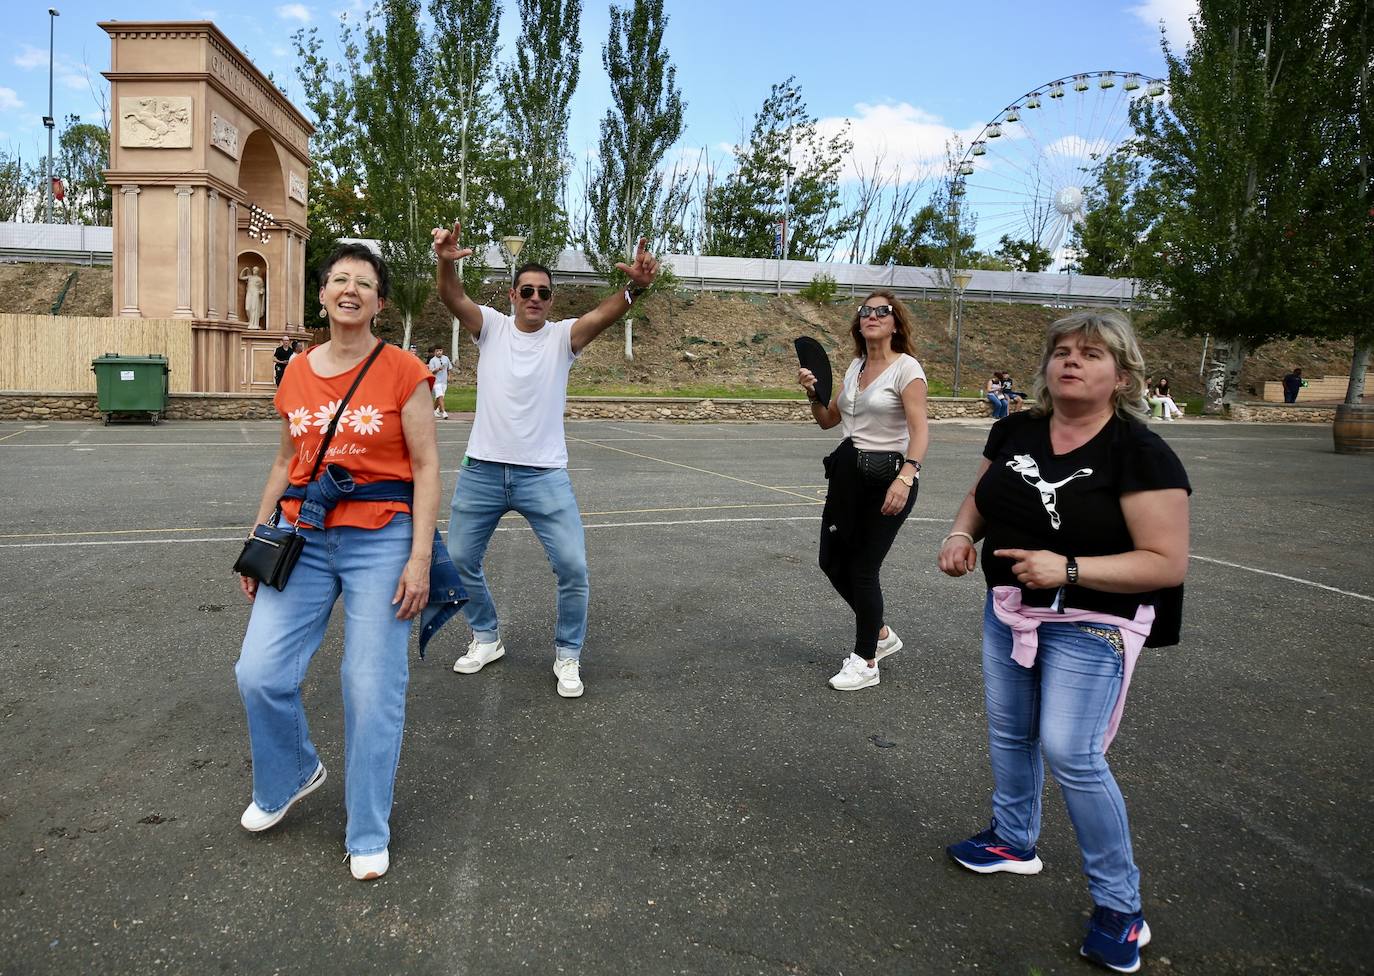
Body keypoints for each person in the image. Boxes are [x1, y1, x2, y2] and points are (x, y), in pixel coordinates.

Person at [936, 309, 1190, 974]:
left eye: (1092, 354)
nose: (1073, 361)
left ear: (1122, 376)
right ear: (1046, 365)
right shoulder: (1017, 427)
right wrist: (962, 534)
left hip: (1092, 621)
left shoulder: (1140, 452)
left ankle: (1120, 909)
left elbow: (1165, 562)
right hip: (1011, 607)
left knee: (1071, 753)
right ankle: (1014, 840)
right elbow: (980, 496)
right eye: (1064, 351)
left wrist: (1070, 569)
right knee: (1009, 730)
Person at [234, 242, 449, 882]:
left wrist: (420, 558)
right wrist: (259, 535)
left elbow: (428, 466)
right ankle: (294, 772)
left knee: (369, 684)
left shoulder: (404, 370)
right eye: (338, 280)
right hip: (302, 531)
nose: (350, 289)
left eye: (364, 282)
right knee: (258, 672)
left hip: (382, 536)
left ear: (380, 302)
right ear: (321, 295)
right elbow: (284, 461)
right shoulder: (296, 371)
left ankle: (367, 829)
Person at [431, 221, 659, 698]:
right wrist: (446, 263)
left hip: (543, 474)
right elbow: (454, 299)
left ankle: (568, 654)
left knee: (573, 567)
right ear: (513, 295)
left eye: (544, 293)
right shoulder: (490, 327)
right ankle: (486, 637)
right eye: (527, 290)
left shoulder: (562, 338)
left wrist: (633, 291)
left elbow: (603, 315)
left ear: (552, 300)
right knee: (459, 560)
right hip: (484, 470)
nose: (535, 297)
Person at [798, 290, 929, 691]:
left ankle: (866, 660)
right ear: (859, 323)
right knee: (830, 561)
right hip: (848, 476)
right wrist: (812, 391)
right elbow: (827, 420)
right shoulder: (855, 367)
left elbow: (921, 430)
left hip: (888, 476)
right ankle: (882, 634)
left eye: (881, 311)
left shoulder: (907, 370)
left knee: (863, 568)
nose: (872, 316)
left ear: (895, 323)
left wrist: (906, 477)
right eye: (865, 311)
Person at [428, 345, 453, 419]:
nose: (439, 352)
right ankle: (444, 412)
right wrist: (438, 369)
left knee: (439, 398)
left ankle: (433, 411)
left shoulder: (446, 358)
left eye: (440, 351)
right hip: (436, 382)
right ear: (435, 352)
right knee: (440, 396)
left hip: (444, 381)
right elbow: (431, 371)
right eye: (437, 351)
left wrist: (449, 376)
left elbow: (449, 368)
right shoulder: (432, 360)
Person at [241, 265, 266, 330]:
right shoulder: (250, 277)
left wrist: (261, 291)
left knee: (254, 308)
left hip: (255, 293)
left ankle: (254, 324)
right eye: (253, 270)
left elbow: (262, 287)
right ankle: (250, 321)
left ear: (258, 271)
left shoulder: (259, 279)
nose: (254, 271)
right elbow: (240, 277)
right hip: (249, 292)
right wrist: (245, 269)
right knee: (248, 308)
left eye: (256, 270)